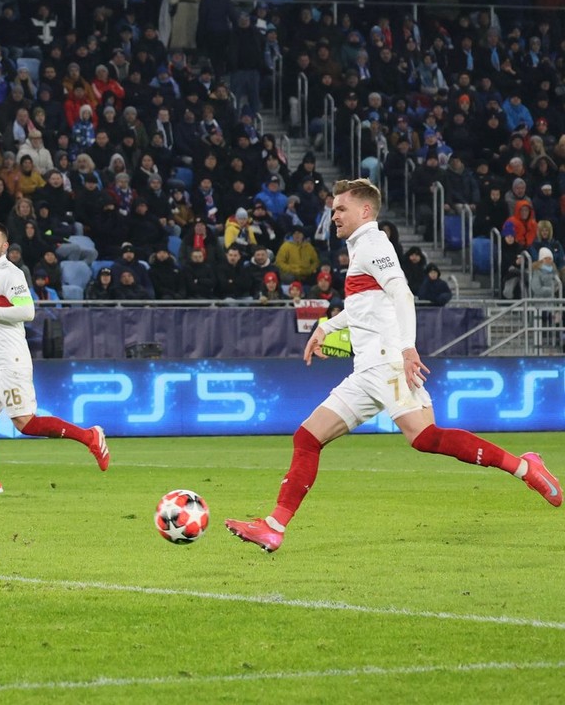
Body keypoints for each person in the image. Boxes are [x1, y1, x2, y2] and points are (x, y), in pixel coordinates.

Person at [225, 179, 562, 553]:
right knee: (307, 437)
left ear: (365, 211)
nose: (334, 214)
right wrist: (326, 328)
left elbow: (402, 293)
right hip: (365, 371)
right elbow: (362, 307)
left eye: (341, 208)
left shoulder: (374, 243)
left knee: (425, 438)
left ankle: (525, 468)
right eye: (333, 209)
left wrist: (407, 348)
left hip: (387, 363)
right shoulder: (359, 250)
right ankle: (274, 527)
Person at [0, 221, 109, 494]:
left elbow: (26, 312)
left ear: (4, 246)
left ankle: (89, 436)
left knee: (26, 424)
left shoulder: (12, 274)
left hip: (9, 360)